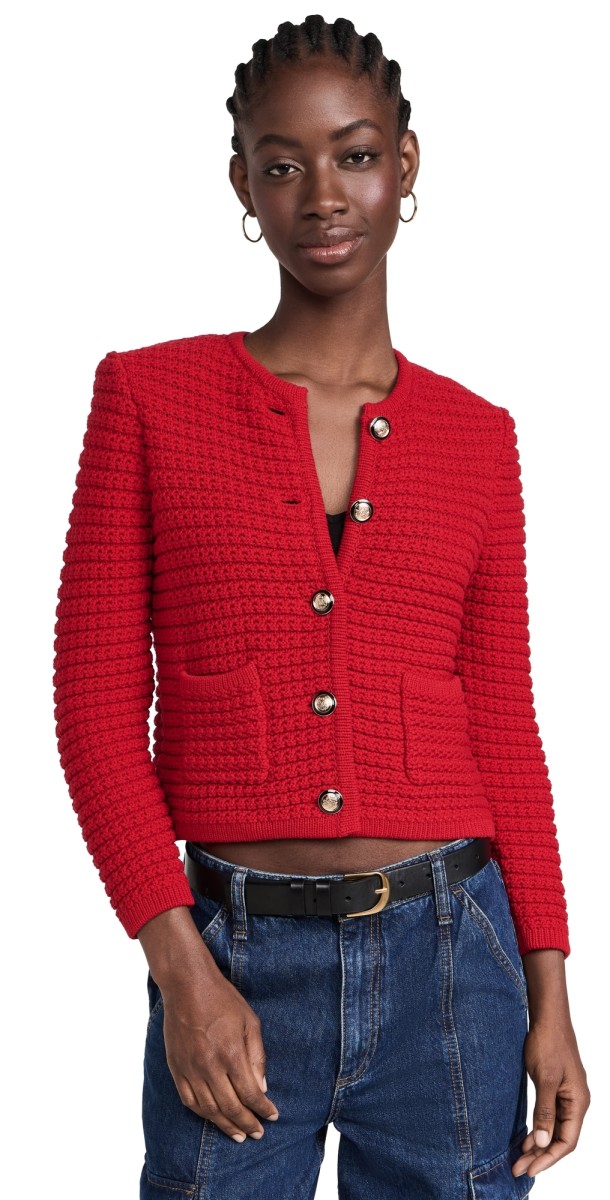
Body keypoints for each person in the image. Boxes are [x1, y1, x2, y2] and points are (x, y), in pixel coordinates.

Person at [53, 14, 589, 1199]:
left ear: (406, 162)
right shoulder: (147, 400)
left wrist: (551, 992)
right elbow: (94, 711)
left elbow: (506, 730)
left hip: (456, 964)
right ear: (241, 183)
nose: (323, 196)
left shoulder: (477, 438)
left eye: (354, 155)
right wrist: (180, 969)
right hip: (233, 962)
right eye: (283, 163)